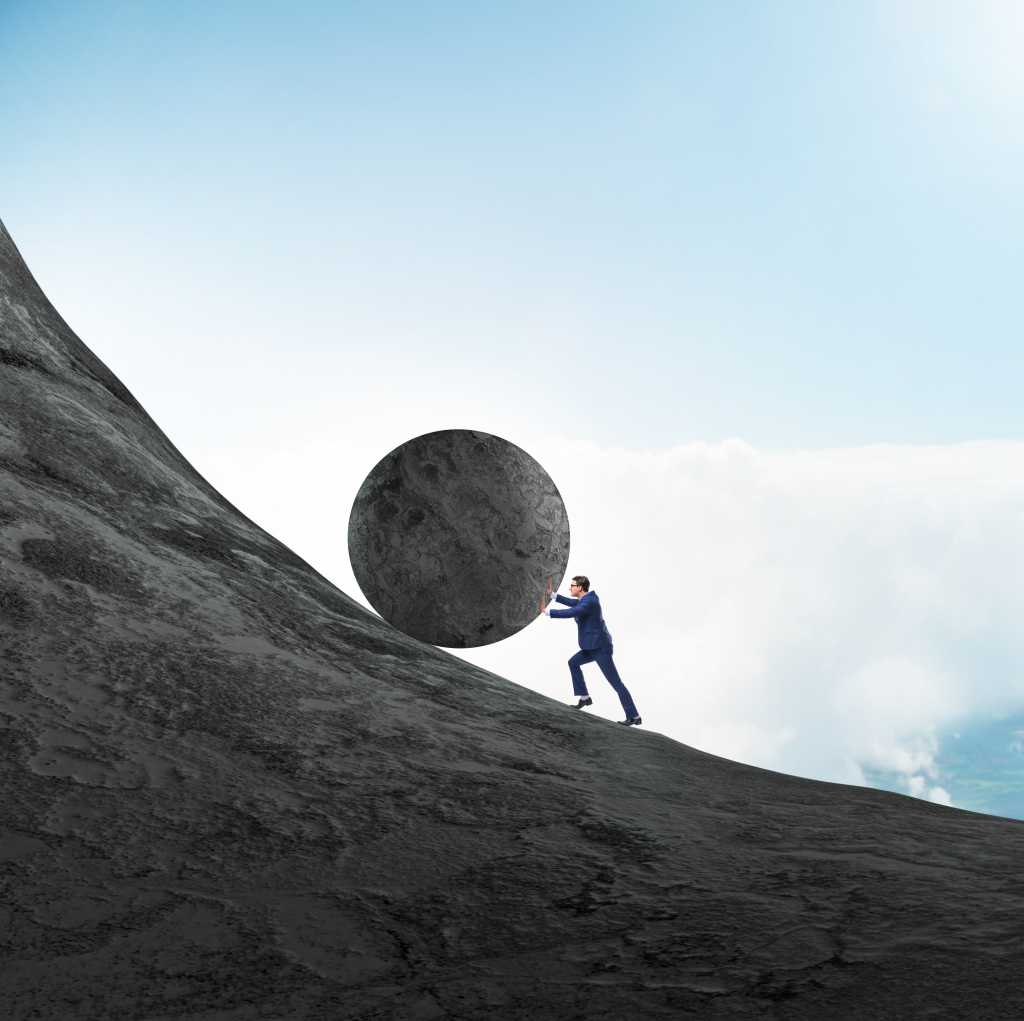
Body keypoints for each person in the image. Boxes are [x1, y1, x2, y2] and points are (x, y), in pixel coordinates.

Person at [543, 575, 642, 726]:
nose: (570, 588)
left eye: (572, 585)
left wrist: (549, 612)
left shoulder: (590, 602)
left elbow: (573, 611)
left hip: (601, 648)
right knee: (573, 663)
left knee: (616, 683)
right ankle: (584, 698)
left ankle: (634, 716)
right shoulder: (585, 599)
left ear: (580, 588)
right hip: (590, 646)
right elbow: (573, 603)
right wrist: (553, 595)